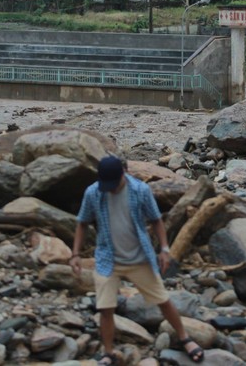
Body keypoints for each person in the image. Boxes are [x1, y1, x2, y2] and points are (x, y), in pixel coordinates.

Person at [71, 156, 205, 365]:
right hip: (108, 259)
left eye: (113, 184)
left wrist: (164, 250)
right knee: (105, 308)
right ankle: (108, 352)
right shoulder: (94, 192)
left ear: (123, 175)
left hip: (139, 258)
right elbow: (82, 222)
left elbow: (156, 220)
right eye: (106, 185)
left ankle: (184, 338)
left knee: (163, 299)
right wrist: (76, 254)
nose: (110, 189)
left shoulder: (140, 190)